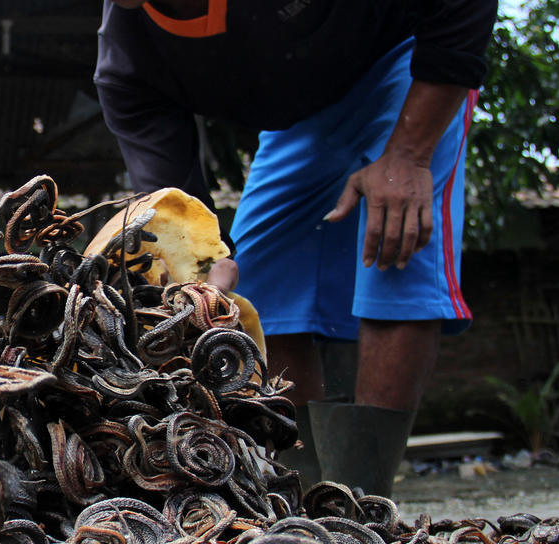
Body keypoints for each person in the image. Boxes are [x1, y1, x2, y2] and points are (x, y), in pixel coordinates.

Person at [95, 0, 497, 496]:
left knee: (397, 248)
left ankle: (364, 501)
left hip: (404, 67)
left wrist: (408, 156)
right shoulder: (129, 63)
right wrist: (200, 279)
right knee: (260, 287)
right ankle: (306, 498)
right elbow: (179, 217)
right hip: (298, 119)